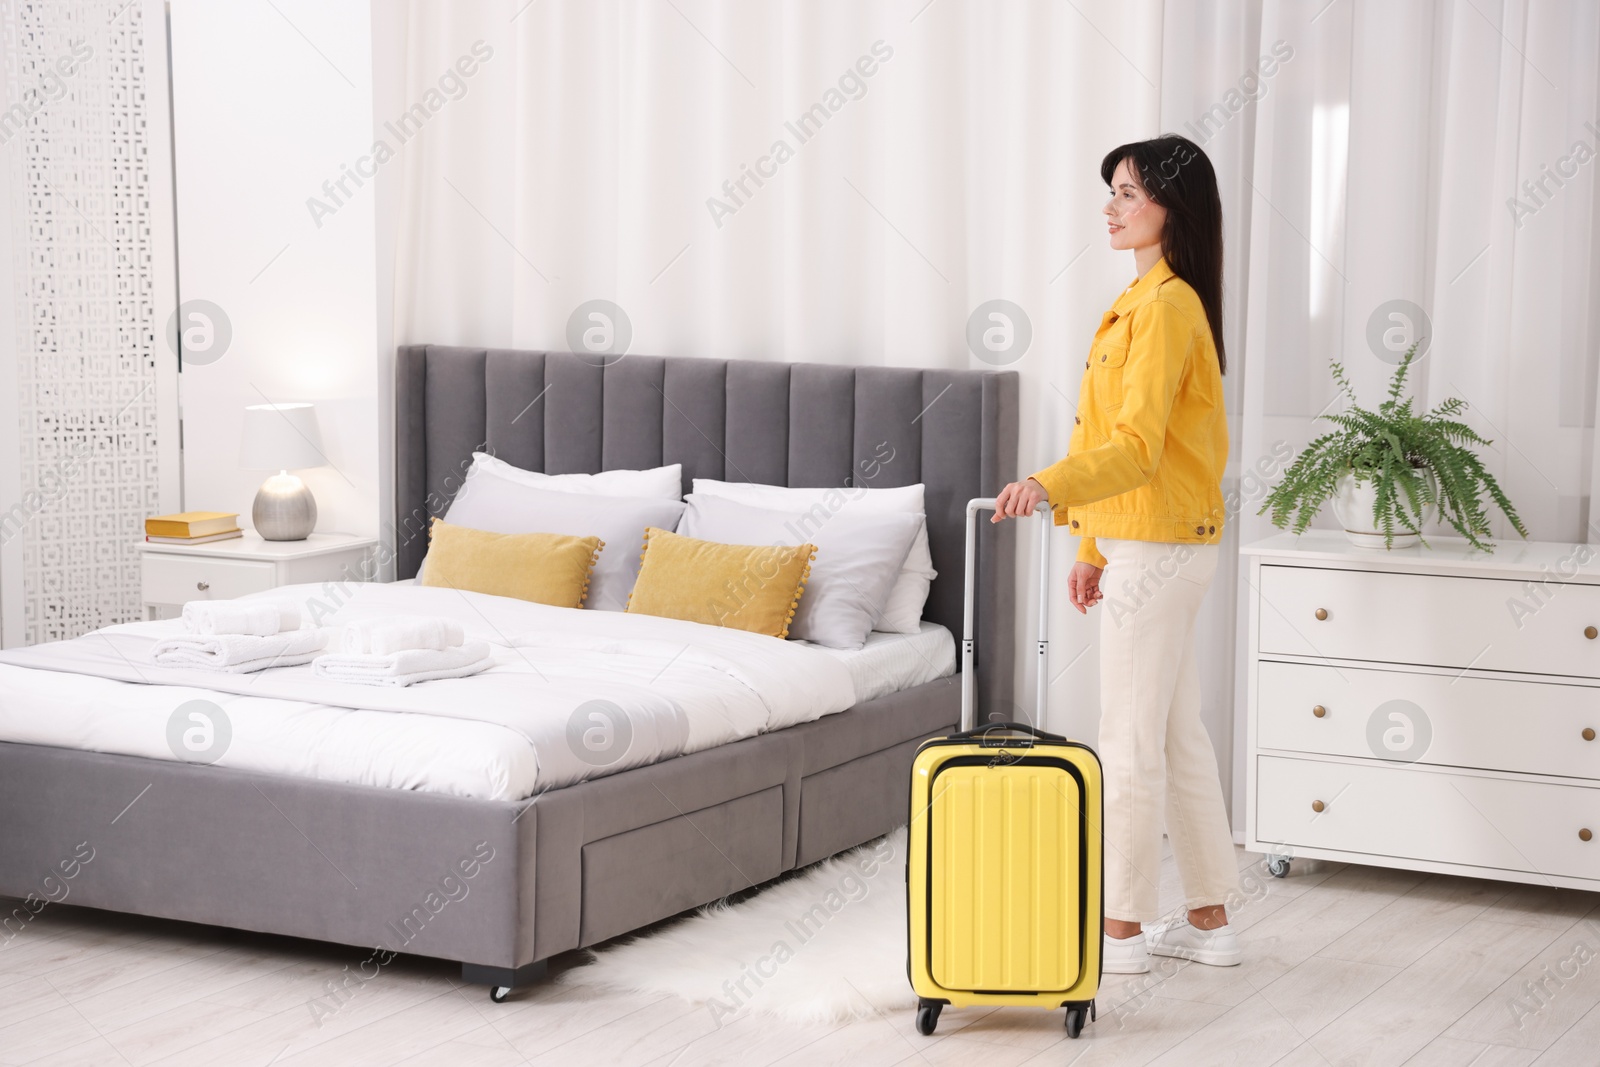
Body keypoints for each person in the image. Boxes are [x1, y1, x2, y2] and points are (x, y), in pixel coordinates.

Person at [992, 134, 1239, 974]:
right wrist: (1093, 544)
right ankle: (1210, 920)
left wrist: (1047, 484)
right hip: (1149, 543)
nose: (1112, 207)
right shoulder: (1146, 303)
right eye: (1113, 192)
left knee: (1127, 737)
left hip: (1161, 550)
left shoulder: (1166, 308)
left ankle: (1121, 929)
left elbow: (1131, 448)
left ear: (1174, 208)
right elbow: (1123, 445)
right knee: (1173, 735)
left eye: (1128, 194)